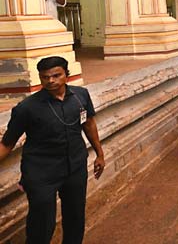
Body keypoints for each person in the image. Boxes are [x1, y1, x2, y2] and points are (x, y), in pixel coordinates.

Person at [0, 56, 104, 244]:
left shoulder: (81, 96)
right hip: (41, 173)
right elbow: (7, 143)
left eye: (56, 75)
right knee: (41, 224)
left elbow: (89, 124)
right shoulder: (27, 108)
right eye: (45, 77)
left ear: (67, 75)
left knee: (75, 217)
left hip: (75, 167)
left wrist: (100, 154)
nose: (51, 81)